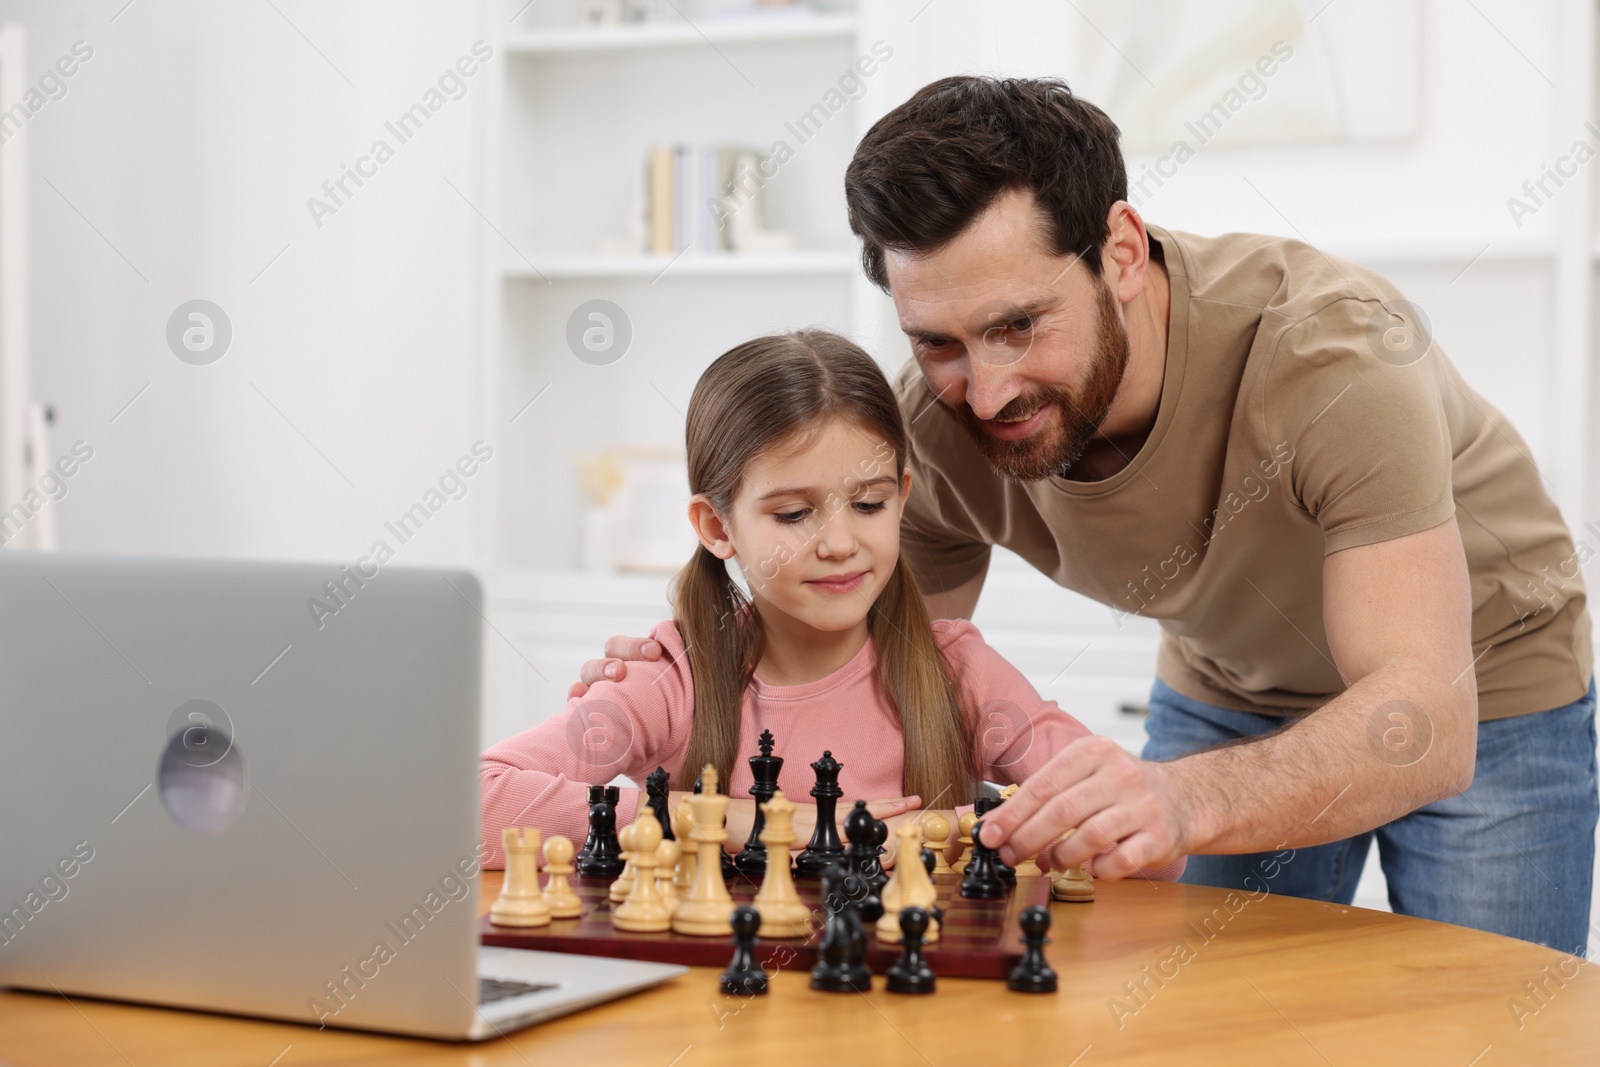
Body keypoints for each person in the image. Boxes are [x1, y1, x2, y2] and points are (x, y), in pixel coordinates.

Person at [569, 76, 1597, 953]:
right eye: (939, 341)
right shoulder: (928, 431)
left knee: (1491, 1021)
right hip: (1230, 683)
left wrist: (1183, 797)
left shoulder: (1331, 357)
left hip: (1482, 682)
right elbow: (870, 670)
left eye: (1018, 324)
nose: (984, 388)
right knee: (1208, 1021)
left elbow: (1424, 715)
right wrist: (692, 671)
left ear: (1119, 249)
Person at [481, 329, 1183, 879]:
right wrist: (737, 823)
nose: (842, 542)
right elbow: (468, 800)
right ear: (718, 528)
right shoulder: (673, 678)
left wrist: (948, 828)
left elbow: (1152, 846)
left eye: (869, 503)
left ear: (903, 499)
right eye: (793, 514)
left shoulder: (958, 672)